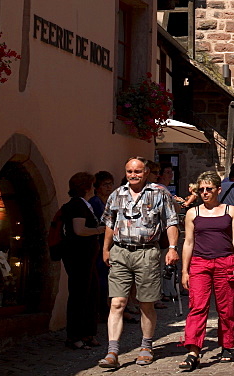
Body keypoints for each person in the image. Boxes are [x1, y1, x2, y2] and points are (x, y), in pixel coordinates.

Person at [98, 156, 179, 369]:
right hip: (120, 252)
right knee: (117, 303)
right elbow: (109, 223)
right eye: (130, 172)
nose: (133, 175)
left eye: (138, 172)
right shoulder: (117, 194)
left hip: (147, 253)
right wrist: (106, 248)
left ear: (146, 172)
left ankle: (146, 346)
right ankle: (112, 352)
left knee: (146, 303)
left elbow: (171, 222)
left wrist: (172, 248)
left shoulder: (160, 193)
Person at [179, 171, 234, 370]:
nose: (204, 193)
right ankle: (193, 349)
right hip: (200, 264)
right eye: (201, 189)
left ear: (218, 190)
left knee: (226, 308)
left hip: (225, 263)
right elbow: (188, 242)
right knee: (197, 307)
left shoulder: (230, 211)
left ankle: (227, 344)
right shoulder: (193, 213)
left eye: (208, 189)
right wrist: (184, 271)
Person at [60, 172, 106, 349]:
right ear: (87, 188)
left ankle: (87, 333)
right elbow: (79, 230)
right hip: (78, 256)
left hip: (87, 257)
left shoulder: (83, 205)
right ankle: (75, 335)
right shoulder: (77, 205)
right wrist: (99, 230)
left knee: (91, 292)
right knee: (79, 295)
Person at [89, 172, 115, 321]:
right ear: (97, 187)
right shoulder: (95, 203)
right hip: (98, 246)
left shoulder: (108, 202)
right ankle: (101, 311)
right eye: (105, 184)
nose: (109, 187)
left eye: (110, 184)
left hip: (109, 246)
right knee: (101, 280)